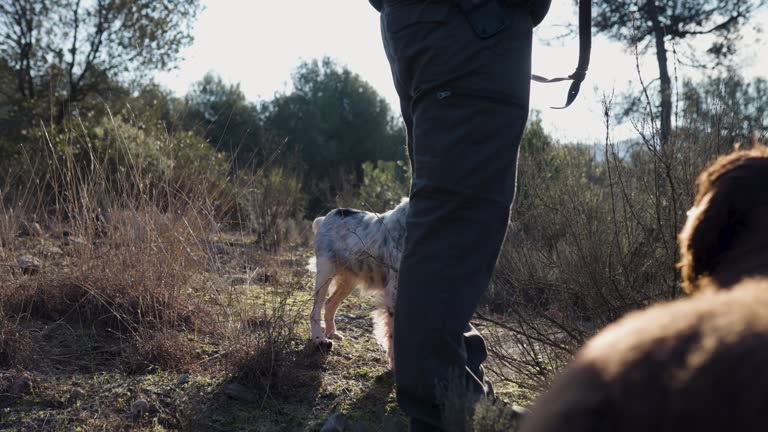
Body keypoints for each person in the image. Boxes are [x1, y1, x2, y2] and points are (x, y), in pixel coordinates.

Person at [370, 0, 551, 430]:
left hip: (437, 25)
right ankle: (445, 410)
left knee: (445, 217)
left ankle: (455, 392)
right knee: (457, 217)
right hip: (473, 24)